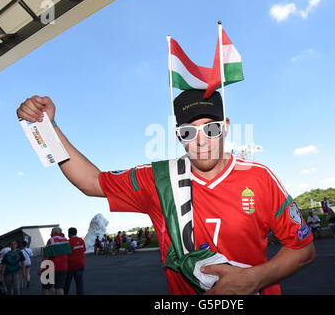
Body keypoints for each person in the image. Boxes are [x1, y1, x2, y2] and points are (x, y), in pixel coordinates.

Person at [16, 91, 315, 295]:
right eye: (189, 132)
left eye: (210, 129)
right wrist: (47, 127)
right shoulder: (158, 180)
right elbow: (91, 182)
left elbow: (303, 249)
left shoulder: (260, 178)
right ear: (178, 137)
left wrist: (252, 280)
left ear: (225, 127)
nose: (201, 141)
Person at [39, 227, 71, 295]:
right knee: (59, 287)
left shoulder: (51, 240)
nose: (50, 234)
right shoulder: (66, 241)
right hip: (63, 267)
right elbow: (69, 254)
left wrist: (41, 268)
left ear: (54, 233)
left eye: (51, 232)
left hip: (51, 268)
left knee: (46, 288)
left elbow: (46, 256)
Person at [65, 227, 86, 295]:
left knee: (67, 284)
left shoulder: (68, 242)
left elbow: (66, 253)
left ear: (69, 234)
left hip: (71, 265)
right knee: (80, 284)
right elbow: (84, 249)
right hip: (81, 264)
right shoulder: (81, 240)